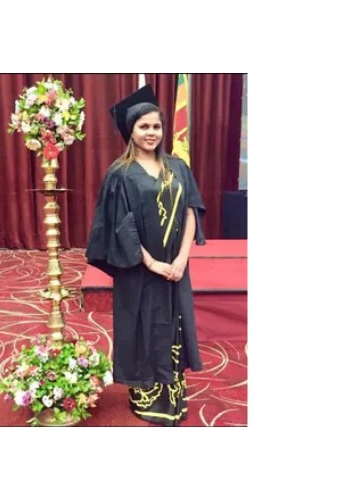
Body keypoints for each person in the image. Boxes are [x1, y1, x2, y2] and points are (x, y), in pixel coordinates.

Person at [85, 85, 206, 426]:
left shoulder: (177, 167)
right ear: (131, 131)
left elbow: (191, 211)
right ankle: (147, 395)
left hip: (175, 267)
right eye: (144, 126)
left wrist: (181, 260)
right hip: (139, 268)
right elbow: (119, 226)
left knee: (173, 324)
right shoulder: (120, 173)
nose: (151, 132)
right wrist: (152, 263)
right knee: (144, 326)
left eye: (156, 126)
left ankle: (173, 393)